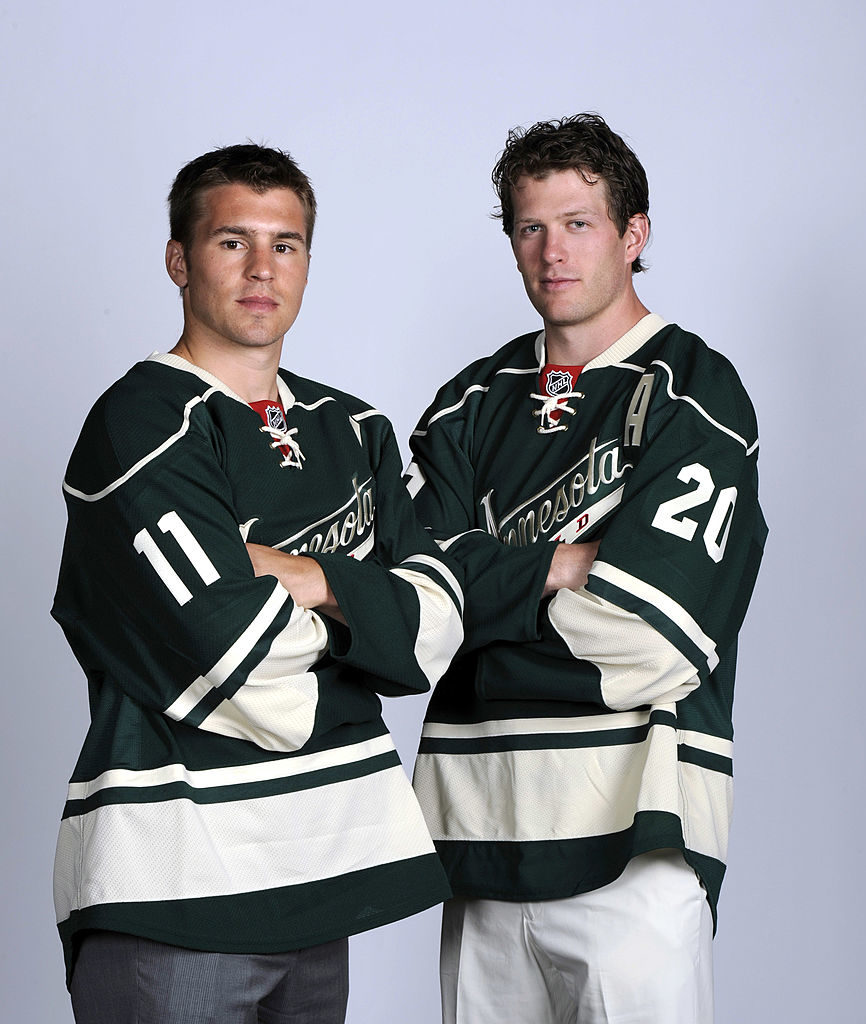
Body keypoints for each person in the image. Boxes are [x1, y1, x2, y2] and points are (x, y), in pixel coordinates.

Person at [51, 143, 464, 1024]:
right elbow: (241, 660)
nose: (262, 269)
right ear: (179, 260)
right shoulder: (141, 421)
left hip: (320, 880)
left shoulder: (355, 429)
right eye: (231, 241)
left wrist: (306, 576)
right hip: (175, 886)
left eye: (286, 244)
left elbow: (434, 629)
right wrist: (364, 612)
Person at [405, 113, 767, 1024]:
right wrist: (567, 566)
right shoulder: (467, 404)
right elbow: (412, 616)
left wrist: (482, 596)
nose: (551, 251)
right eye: (530, 227)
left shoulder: (692, 389)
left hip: (631, 851)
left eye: (578, 224)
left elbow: (652, 638)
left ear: (632, 235)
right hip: (478, 844)